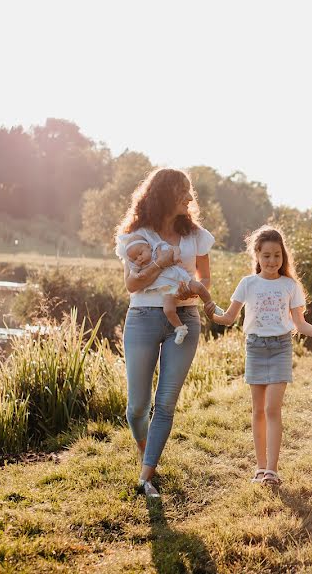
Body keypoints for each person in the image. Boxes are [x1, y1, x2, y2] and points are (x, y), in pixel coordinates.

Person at [115, 168, 215, 498]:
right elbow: (132, 283)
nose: (190, 197)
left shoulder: (196, 235)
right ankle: (147, 453)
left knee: (166, 403)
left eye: (190, 191)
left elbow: (206, 279)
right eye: (182, 191)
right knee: (136, 407)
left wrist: (190, 292)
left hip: (184, 319)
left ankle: (146, 476)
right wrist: (160, 265)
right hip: (142, 316)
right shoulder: (138, 236)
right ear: (163, 194)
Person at [205, 226, 312, 486]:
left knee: (272, 408)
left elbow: (300, 324)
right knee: (258, 410)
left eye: (277, 256)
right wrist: (207, 307)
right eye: (267, 255)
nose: (272, 261)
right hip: (255, 348)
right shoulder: (248, 284)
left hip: (281, 347)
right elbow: (228, 318)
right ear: (257, 255)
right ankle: (259, 468)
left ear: (284, 257)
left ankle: (272, 470)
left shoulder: (290, 285)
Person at [122, 232, 213, 344]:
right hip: (167, 289)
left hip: (180, 279)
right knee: (168, 309)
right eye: (135, 258)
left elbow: (174, 248)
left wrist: (176, 255)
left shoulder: (157, 249)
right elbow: (132, 276)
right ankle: (180, 328)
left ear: (148, 247)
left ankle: (209, 302)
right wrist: (138, 275)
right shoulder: (140, 266)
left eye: (140, 254)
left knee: (198, 286)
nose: (139, 259)